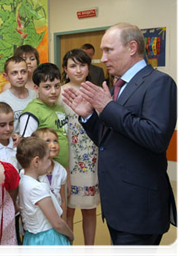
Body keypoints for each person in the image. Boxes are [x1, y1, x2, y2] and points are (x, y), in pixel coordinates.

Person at [63, 23, 180, 256]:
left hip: (139, 207)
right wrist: (87, 116)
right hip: (119, 205)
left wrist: (107, 107)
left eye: (108, 50)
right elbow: (108, 141)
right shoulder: (119, 87)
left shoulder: (159, 83)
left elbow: (156, 137)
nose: (102, 58)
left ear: (132, 48)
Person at [60, 49, 100, 256]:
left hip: (92, 159)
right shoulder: (59, 93)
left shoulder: (95, 92)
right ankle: (69, 252)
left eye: (82, 65)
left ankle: (89, 253)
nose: (78, 70)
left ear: (88, 67)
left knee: (90, 210)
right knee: (68, 211)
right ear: (65, 69)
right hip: (68, 159)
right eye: (72, 65)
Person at [16, 136, 74, 256]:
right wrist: (70, 235)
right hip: (48, 241)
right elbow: (57, 223)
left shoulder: (23, 181)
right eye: (47, 159)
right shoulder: (38, 188)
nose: (50, 162)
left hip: (32, 239)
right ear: (36, 161)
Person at [19, 63, 69, 169]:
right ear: (36, 88)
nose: (54, 91)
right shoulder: (32, 111)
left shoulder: (59, 108)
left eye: (57, 86)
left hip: (61, 171)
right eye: (47, 87)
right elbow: (26, 147)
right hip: (43, 173)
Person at [31, 128, 67, 221]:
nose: (53, 145)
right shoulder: (31, 171)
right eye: (48, 141)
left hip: (57, 219)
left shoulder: (61, 170)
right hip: (39, 220)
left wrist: (64, 220)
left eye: (55, 141)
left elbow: (63, 199)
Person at [0, 56, 37, 135]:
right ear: (6, 76)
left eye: (23, 72)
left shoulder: (36, 96)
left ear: (28, 73)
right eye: (14, 73)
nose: (20, 76)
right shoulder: (0, 101)